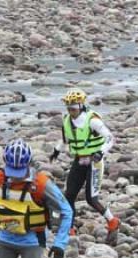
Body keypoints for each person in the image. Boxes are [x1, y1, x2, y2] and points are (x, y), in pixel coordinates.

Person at [49, 89, 119, 245]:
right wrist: (56, 151)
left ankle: (113, 221)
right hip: (79, 160)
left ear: (81, 105)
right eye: (68, 108)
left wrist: (101, 152)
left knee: (91, 199)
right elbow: (66, 139)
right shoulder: (67, 121)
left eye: (73, 108)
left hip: (94, 162)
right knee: (69, 196)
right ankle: (70, 227)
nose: (71, 111)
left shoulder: (92, 120)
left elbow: (110, 138)